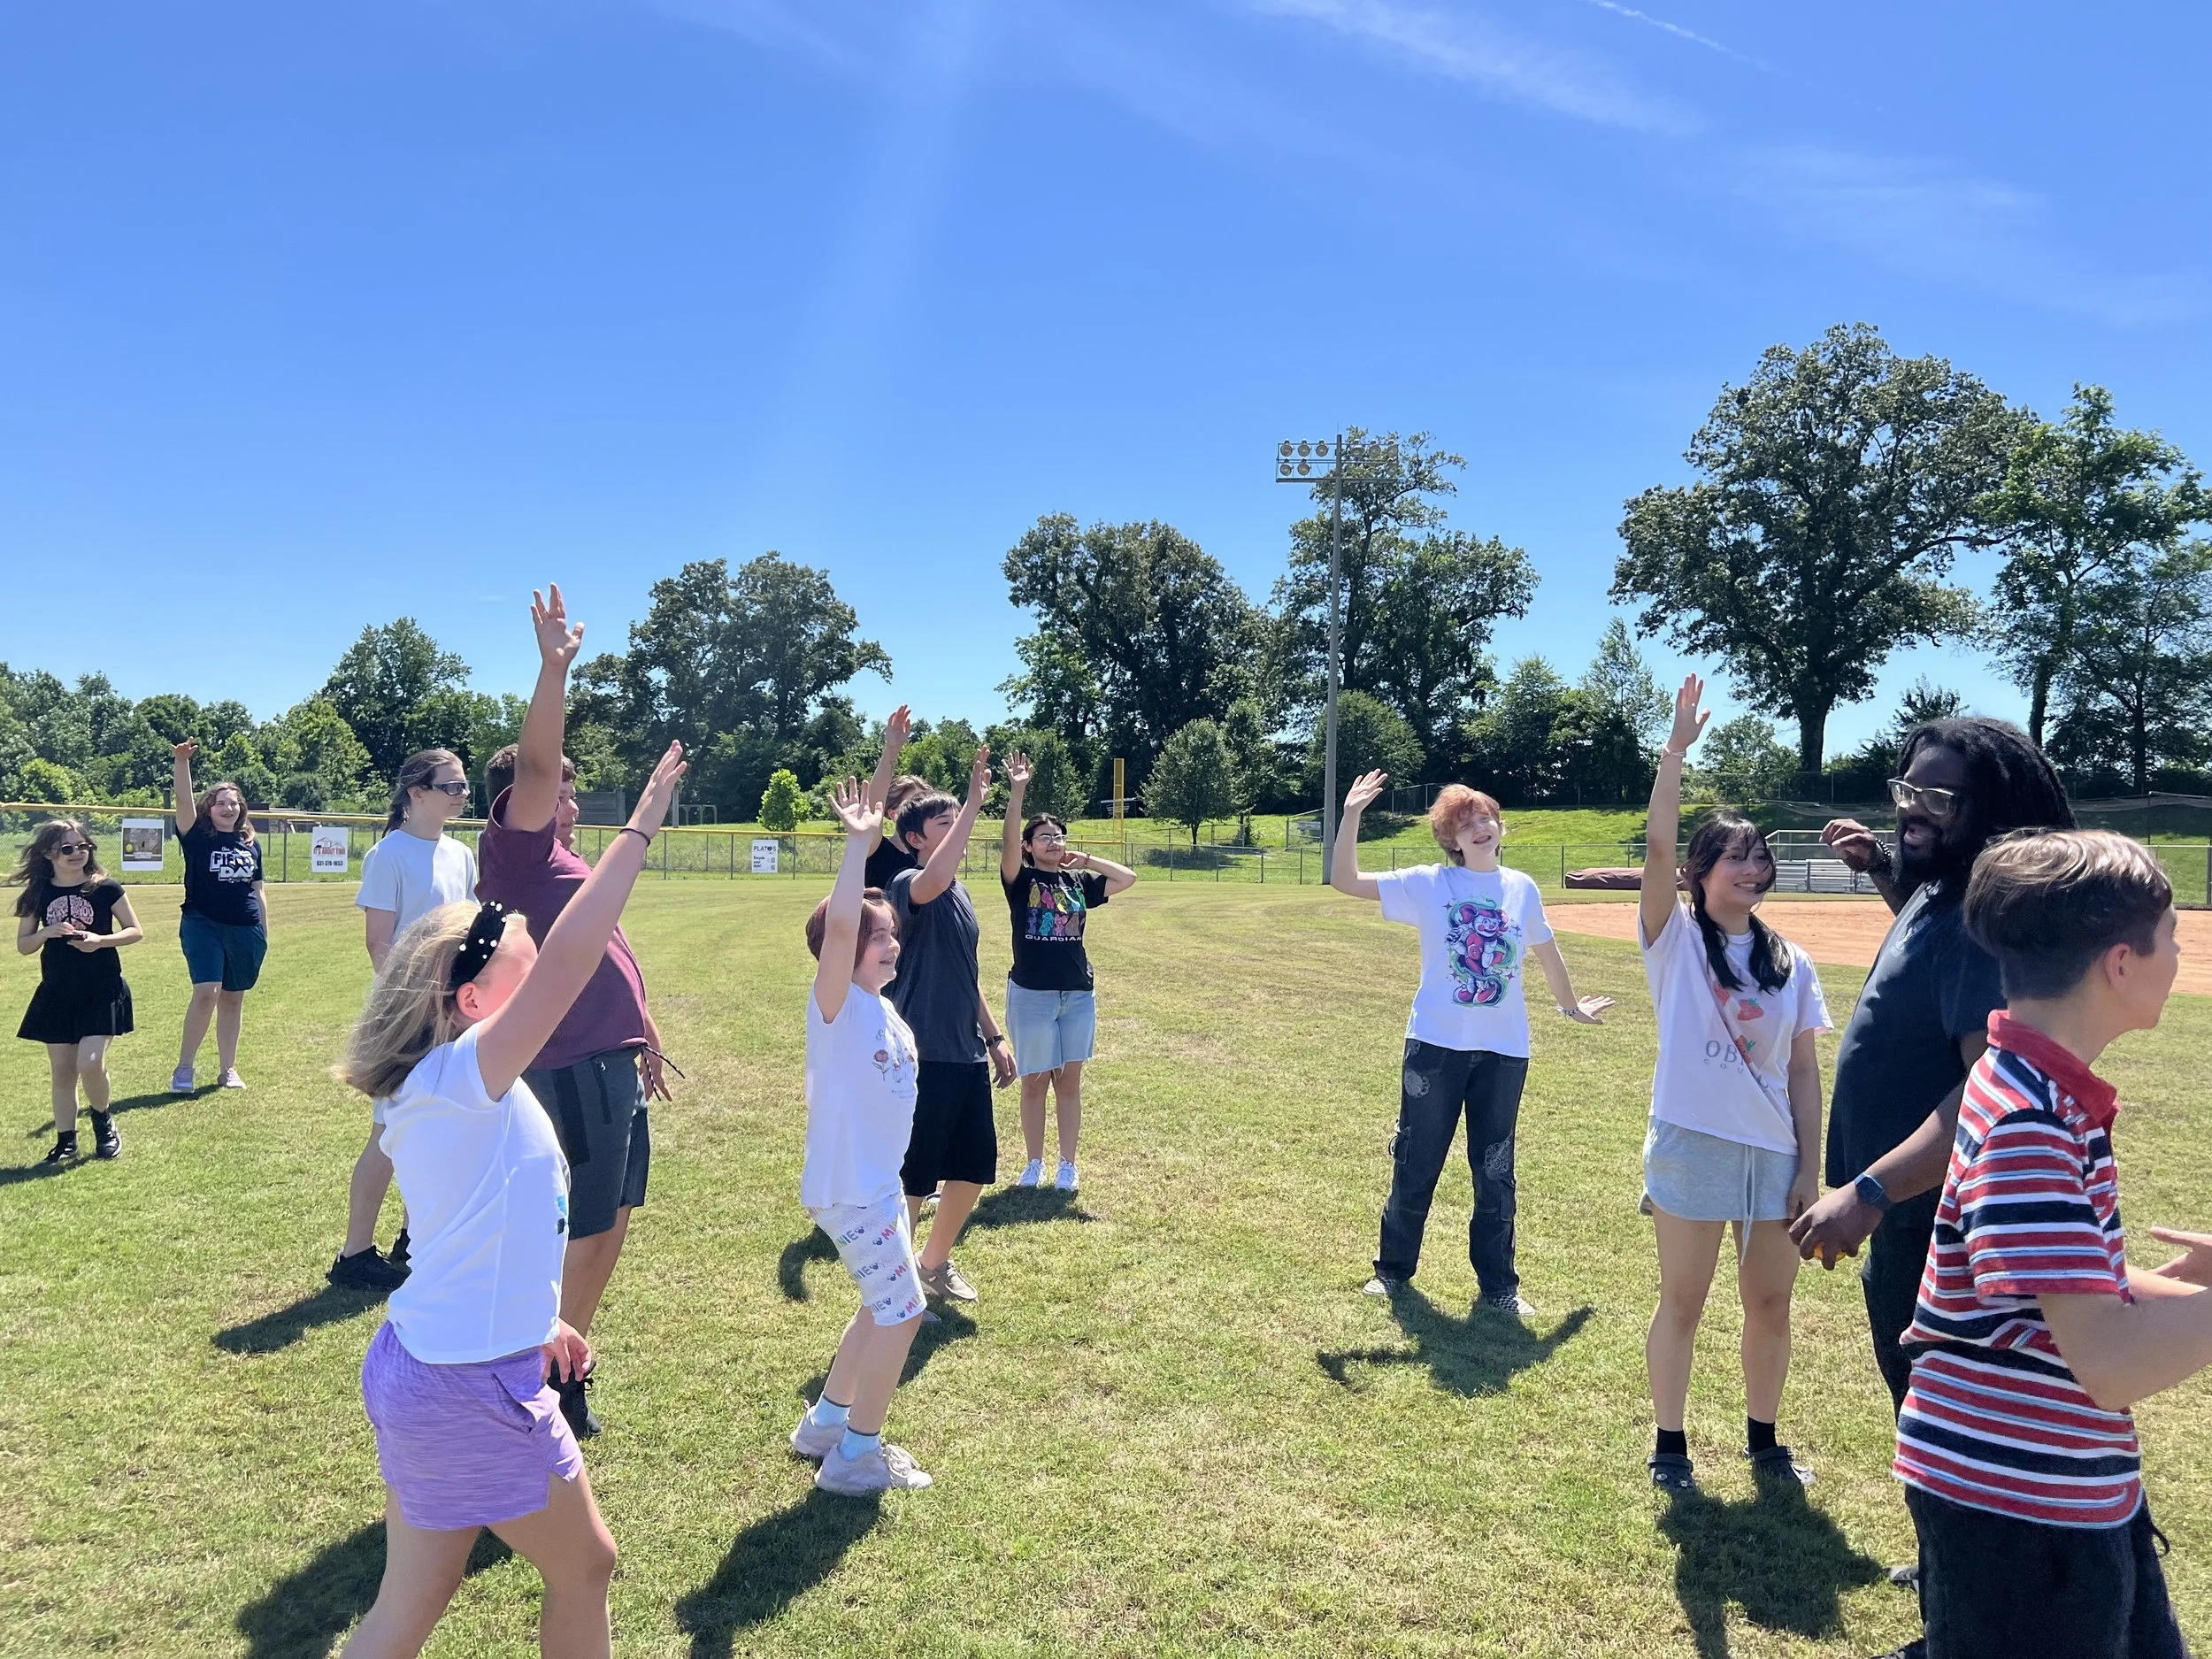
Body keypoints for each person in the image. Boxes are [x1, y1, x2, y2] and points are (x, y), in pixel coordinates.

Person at [332, 739, 685, 1659]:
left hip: (433, 1361)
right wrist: (642, 822)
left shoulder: (450, 1074)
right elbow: (575, 949)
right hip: (466, 1388)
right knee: (587, 1567)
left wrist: (538, 1323)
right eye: (521, 958)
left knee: (412, 1604)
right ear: (476, 996)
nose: (540, 957)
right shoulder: (469, 1071)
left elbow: (484, 1225)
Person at [1785, 717, 2075, 1652]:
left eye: (1938, 798)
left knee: (1949, 1433)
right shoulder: (1941, 892)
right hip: (1902, 1224)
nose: (1913, 807)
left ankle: (1963, 1620)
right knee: (1923, 1414)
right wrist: (1885, 871)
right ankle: (1949, 1575)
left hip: (1924, 1227)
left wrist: (1867, 1190)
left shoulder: (1976, 921)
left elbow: (1979, 1095)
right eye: (1905, 787)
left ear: (1989, 809)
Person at [1893, 830, 2199, 1658]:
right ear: (2120, 963)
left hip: (2060, 1486)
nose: (2182, 956)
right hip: (2020, 1508)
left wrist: (2181, 1290)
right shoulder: (2030, 1120)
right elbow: (2107, 1358)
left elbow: (2056, 1286)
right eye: (2173, 938)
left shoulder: (2030, 1085)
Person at [477, 586, 676, 1440]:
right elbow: (533, 766)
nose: (568, 796)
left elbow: (610, 947)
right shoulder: (516, 851)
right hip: (568, 1067)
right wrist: (554, 668)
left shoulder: (564, 857)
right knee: (577, 1228)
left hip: (613, 1060)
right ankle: (536, 1374)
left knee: (611, 1222)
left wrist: (647, 1032)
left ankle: (567, 1360)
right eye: (560, 786)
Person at [1635, 676, 1832, 1495]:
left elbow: (1804, 1071)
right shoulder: (1673, 940)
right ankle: (1671, 1448)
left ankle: (1763, 1441)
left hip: (1773, 1155)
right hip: (1692, 1141)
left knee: (1771, 1305)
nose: (1753, 868)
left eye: (1760, 856)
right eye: (1736, 856)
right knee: (1682, 1297)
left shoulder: (1792, 962)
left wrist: (1809, 1169)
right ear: (1701, 871)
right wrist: (1675, 752)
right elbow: (1653, 848)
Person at [1332, 770, 1613, 1316]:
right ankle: (1392, 1272)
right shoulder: (1428, 883)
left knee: (1495, 1168)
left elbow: (1547, 953)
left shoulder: (1521, 888)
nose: (1480, 826)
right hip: (1434, 1046)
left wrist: (1570, 1006)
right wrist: (1351, 816)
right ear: (1451, 840)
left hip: (1504, 1052)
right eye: (1466, 823)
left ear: (1500, 827)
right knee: (1417, 1159)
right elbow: (1345, 879)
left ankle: (1499, 1287)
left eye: (1486, 817)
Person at [787, 778, 935, 1495]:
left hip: (875, 1187)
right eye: (878, 938)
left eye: (893, 937)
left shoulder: (882, 1010)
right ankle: (855, 1457)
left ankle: (825, 1424)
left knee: (881, 1305)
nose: (891, 945)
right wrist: (857, 848)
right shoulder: (836, 1006)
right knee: (904, 1314)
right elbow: (842, 928)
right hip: (854, 1190)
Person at [331, 749, 481, 1293]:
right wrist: (420, 1002)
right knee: (389, 1132)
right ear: (417, 793)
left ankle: (415, 1240)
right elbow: (379, 942)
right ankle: (354, 1255)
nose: (462, 795)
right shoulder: (388, 855)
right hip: (407, 1012)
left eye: (463, 786)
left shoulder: (461, 854)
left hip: (451, 1011)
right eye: (452, 786)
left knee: (439, 1128)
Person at [887, 746, 1018, 1310]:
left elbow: (970, 977)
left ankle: (932, 1265)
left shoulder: (961, 893)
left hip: (964, 1052)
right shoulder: (909, 882)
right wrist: (971, 801)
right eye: (944, 824)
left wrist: (993, 1036)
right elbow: (935, 876)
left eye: (959, 821)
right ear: (916, 837)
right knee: (915, 1177)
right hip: (924, 1053)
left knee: (970, 1168)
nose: (960, 830)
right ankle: (896, 1287)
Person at [998, 750, 1136, 1191]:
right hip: (1033, 994)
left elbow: (1127, 878)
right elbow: (1006, 846)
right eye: (1044, 837)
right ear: (1028, 845)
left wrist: (1088, 861)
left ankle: (1067, 1167)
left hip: (1076, 994)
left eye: (1058, 836)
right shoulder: (1021, 882)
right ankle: (1034, 1163)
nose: (1054, 842)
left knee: (1069, 1083)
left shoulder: (1076, 883)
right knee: (1035, 1081)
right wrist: (1017, 791)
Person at [12, 820, 142, 1164]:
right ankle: (66, 1142)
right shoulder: (37, 894)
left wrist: (101, 941)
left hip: (102, 987)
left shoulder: (106, 888)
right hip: (57, 991)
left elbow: (135, 931)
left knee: (90, 1062)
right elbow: (24, 945)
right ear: (48, 854)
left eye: (83, 847)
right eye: (67, 849)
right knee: (63, 1070)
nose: (77, 854)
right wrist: (47, 932)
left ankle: (104, 1125)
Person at [170, 740, 268, 1093]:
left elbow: (257, 891)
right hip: (202, 922)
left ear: (241, 808)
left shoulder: (249, 843)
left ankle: (228, 1070)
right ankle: (184, 1069)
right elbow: (182, 800)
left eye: (234, 803)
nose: (228, 808)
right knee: (208, 991)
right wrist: (182, 762)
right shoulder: (196, 836)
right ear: (209, 808)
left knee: (233, 997)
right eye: (220, 802)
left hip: (246, 928)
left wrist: (264, 934)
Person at [861, 705, 923, 892]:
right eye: (913, 803)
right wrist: (891, 750)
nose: (921, 809)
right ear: (893, 813)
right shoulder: (878, 850)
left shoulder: (929, 856)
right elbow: (873, 806)